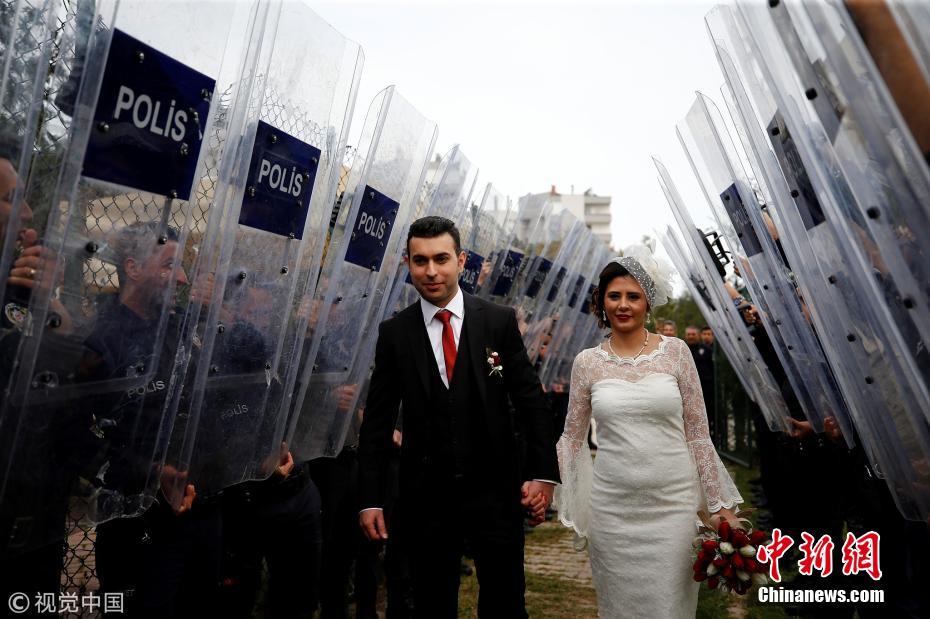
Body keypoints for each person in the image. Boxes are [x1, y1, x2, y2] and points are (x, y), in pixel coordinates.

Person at [357, 216, 559, 618]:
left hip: (496, 491)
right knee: (431, 603)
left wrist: (542, 474)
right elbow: (377, 422)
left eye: (441, 259)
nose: (431, 271)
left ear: (461, 260)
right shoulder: (395, 333)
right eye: (420, 260)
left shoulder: (498, 321)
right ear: (407, 263)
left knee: (505, 603)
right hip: (426, 498)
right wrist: (370, 500)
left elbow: (530, 401)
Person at [557, 245, 743, 618]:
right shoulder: (587, 363)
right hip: (612, 511)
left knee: (670, 607)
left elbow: (698, 434)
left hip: (673, 507)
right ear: (602, 301)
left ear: (648, 302)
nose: (623, 305)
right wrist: (564, 492)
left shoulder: (677, 353)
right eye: (614, 296)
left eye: (633, 296)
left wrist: (719, 506)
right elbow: (572, 439)